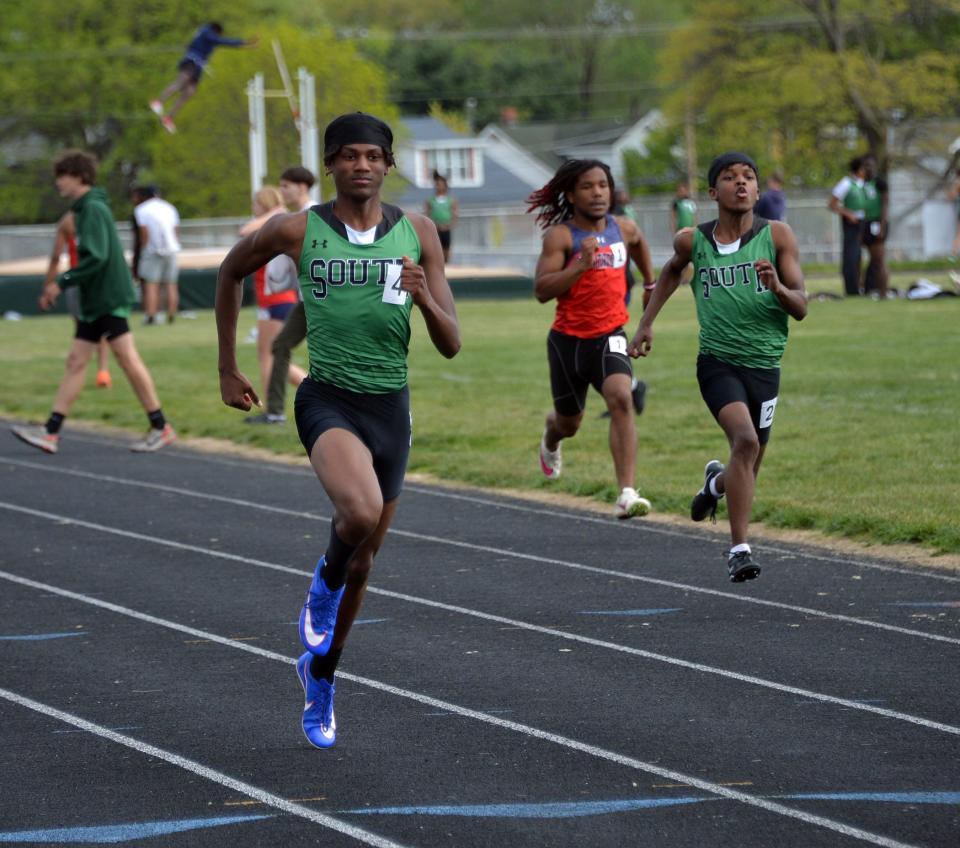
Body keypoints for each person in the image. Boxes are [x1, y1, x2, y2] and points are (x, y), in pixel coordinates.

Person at [215, 112, 460, 749]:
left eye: (373, 156)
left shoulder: (419, 233)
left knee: (367, 557)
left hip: (391, 407)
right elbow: (229, 272)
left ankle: (321, 671)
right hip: (327, 398)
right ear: (330, 163)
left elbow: (452, 343)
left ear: (387, 165)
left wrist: (424, 296)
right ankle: (322, 583)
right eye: (348, 155)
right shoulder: (298, 229)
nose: (361, 166)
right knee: (359, 513)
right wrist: (227, 365)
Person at [628, 152, 807, 582]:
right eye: (730, 178)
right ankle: (739, 550)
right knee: (744, 442)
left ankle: (714, 486)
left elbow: (800, 306)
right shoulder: (694, 241)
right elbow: (672, 272)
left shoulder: (778, 236)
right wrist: (646, 324)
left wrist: (778, 288)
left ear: (758, 190)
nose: (740, 184)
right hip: (717, 363)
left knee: (748, 463)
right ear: (713, 192)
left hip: (765, 365)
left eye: (749, 177)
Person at [12, 150, 176, 454]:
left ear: (77, 176)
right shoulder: (85, 208)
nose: (58, 183)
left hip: (107, 297)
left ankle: (160, 426)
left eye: (61, 176)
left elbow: (97, 257)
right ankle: (51, 431)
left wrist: (60, 283)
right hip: (95, 299)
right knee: (76, 361)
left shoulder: (93, 209)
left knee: (126, 358)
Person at [526, 158, 654, 520]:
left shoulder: (624, 228)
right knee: (570, 423)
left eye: (603, 185)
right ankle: (551, 437)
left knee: (621, 398)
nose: (597, 192)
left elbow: (640, 243)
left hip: (610, 334)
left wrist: (649, 282)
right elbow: (540, 290)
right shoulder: (561, 237)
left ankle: (627, 493)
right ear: (571, 193)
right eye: (587, 186)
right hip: (568, 343)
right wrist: (580, 266)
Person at [245, 165, 317, 425]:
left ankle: (333, 403)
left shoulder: (317, 214)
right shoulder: (294, 216)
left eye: (286, 186)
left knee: (329, 354)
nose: (282, 191)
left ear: (301, 187)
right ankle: (275, 412)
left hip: (326, 299)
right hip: (305, 299)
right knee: (279, 347)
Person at [240, 185, 307, 404]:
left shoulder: (277, 223)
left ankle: (273, 408)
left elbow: (245, 230)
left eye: (256, 204)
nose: (253, 208)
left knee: (271, 357)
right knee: (268, 356)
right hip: (268, 300)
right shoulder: (270, 228)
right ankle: (270, 408)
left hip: (278, 299)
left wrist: (275, 212)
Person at [149, 22, 257, 134]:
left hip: (198, 66)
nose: (218, 37)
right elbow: (222, 41)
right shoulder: (207, 32)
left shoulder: (203, 34)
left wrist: (244, 46)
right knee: (180, 82)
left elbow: (195, 44)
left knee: (189, 92)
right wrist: (243, 42)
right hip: (191, 61)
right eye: (218, 35)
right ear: (216, 31)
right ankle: (158, 101)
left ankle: (169, 117)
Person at [48, 211, 112, 389]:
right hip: (88, 279)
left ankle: (93, 372)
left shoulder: (71, 220)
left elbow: (55, 256)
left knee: (85, 329)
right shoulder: (94, 217)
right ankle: (100, 371)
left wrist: (49, 284)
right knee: (97, 328)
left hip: (80, 279)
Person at [132, 185, 181, 324]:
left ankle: (151, 315)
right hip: (171, 249)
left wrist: (144, 249)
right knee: (171, 284)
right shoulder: (169, 207)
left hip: (152, 250)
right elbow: (176, 229)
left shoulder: (141, 209)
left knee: (151, 285)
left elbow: (144, 232)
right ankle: (171, 314)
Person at [828, 156, 867, 296]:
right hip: (851, 222)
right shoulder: (846, 183)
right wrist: (848, 214)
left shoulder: (863, 184)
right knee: (851, 255)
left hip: (863, 222)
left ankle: (860, 286)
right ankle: (851, 289)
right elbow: (832, 204)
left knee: (859, 256)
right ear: (858, 169)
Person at [860, 155, 889, 299]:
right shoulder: (863, 184)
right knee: (870, 259)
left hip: (877, 223)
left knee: (879, 259)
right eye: (865, 166)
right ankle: (868, 288)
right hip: (866, 223)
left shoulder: (880, 183)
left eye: (870, 165)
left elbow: (885, 205)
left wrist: (882, 227)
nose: (868, 168)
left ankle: (883, 292)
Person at [424, 171, 458, 263]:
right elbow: (427, 214)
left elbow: (455, 215)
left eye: (440, 184)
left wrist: (448, 225)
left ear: (445, 186)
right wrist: (434, 226)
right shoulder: (430, 200)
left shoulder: (451, 200)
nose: (438, 186)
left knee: (446, 248)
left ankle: (446, 264)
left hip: (446, 228)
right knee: (436, 248)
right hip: (435, 229)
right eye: (437, 184)